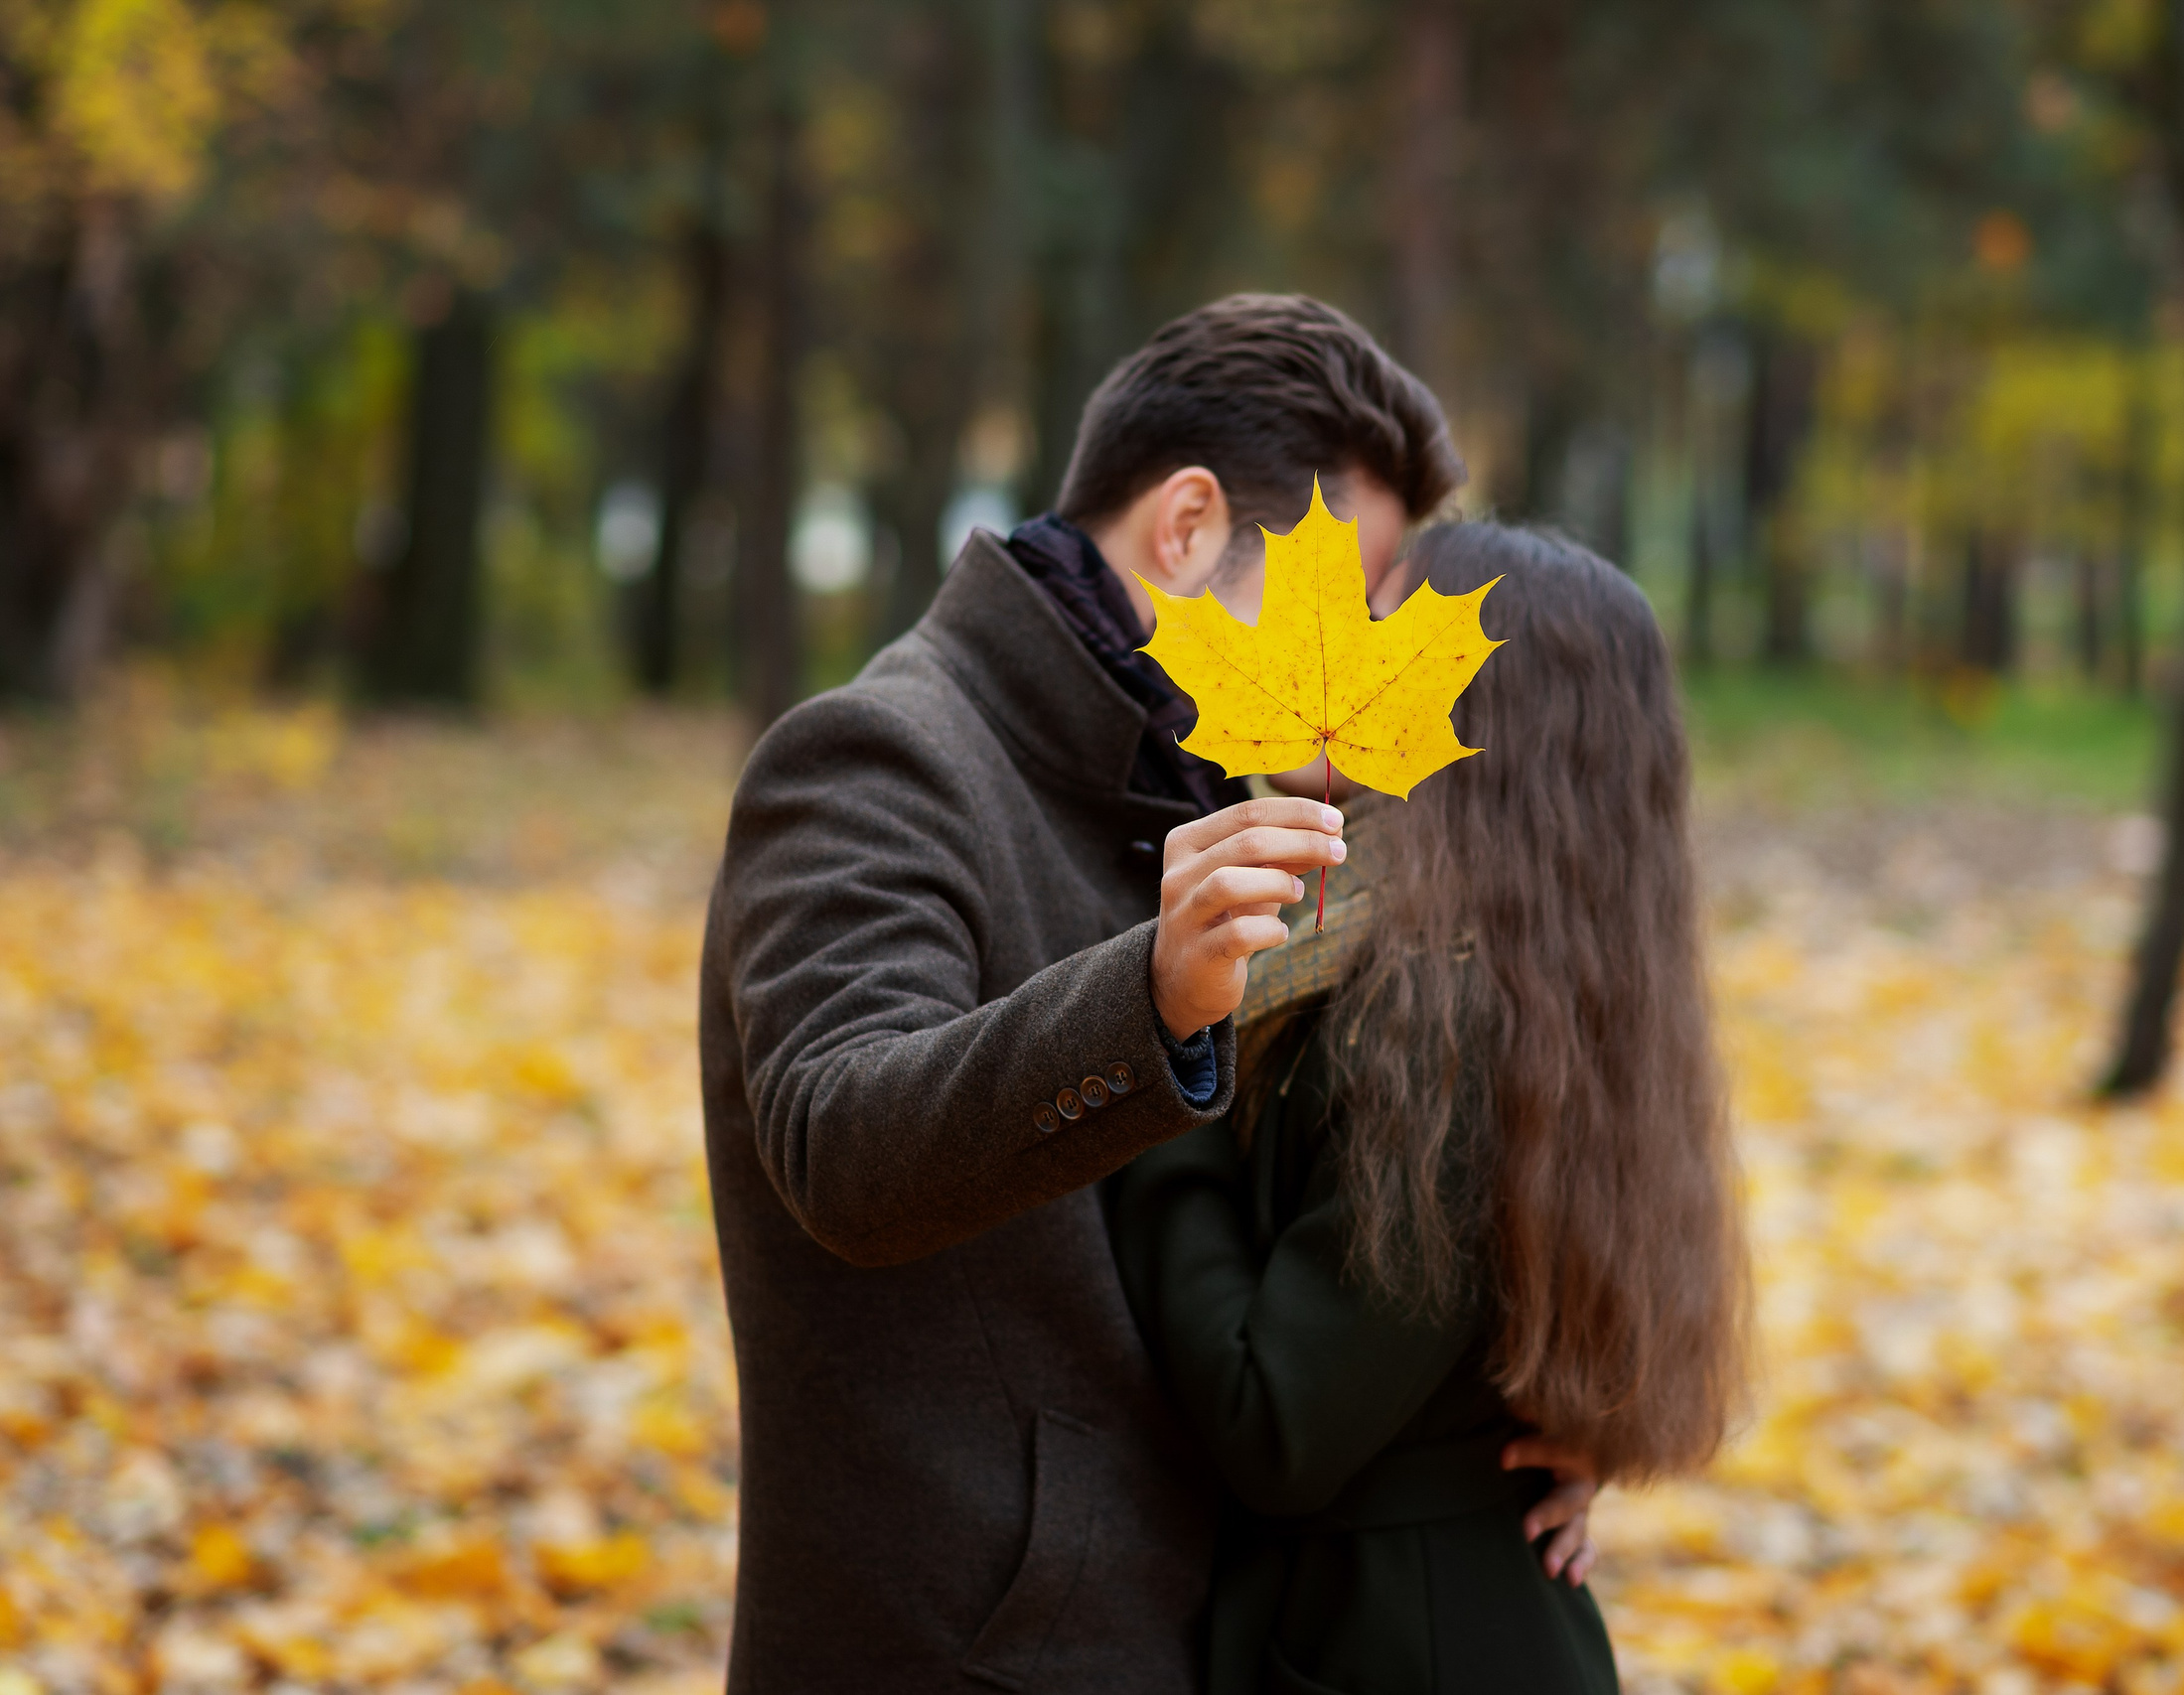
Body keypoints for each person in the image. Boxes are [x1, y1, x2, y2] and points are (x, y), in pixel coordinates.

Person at [696, 295, 1597, 1693]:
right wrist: (1149, 1002)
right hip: (979, 1651)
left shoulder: (1225, 794)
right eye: (1333, 606)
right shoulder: (881, 757)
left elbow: (1346, 1194)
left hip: (1207, 1623)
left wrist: (1504, 1437)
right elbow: (838, 1145)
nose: (1350, 674)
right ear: (1183, 527)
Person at [1109, 523, 1753, 1695]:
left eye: (1383, 634)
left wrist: (1163, 1087)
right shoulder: (1499, 971)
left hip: (1404, 1644)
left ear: (1480, 712)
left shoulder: (1442, 1016)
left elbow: (1276, 1425)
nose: (1333, 658)